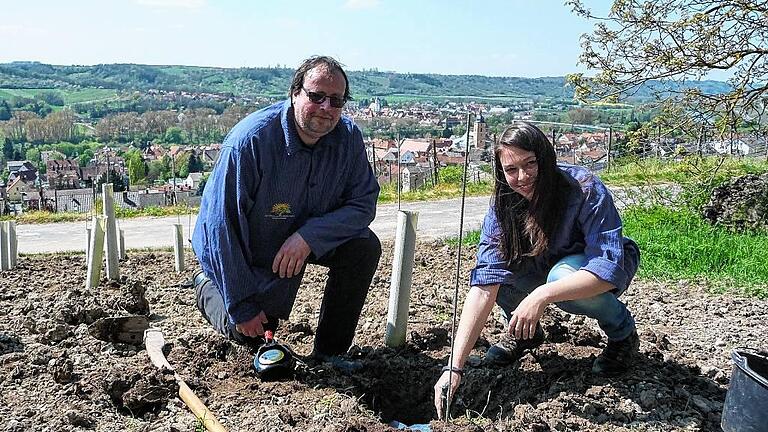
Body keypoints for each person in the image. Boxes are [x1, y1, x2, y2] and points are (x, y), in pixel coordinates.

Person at [433, 122, 640, 417]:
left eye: (531, 163)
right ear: (501, 172)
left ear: (546, 157)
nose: (523, 176)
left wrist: (539, 296)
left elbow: (605, 267)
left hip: (589, 270)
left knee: (562, 282)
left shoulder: (583, 188)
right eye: (511, 169)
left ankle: (622, 335)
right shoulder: (503, 206)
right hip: (540, 263)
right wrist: (454, 367)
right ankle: (524, 333)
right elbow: (483, 286)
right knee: (499, 276)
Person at [191, 56, 381, 369]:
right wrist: (241, 304)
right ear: (294, 93)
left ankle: (331, 353)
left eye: (336, 100)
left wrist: (309, 237)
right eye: (316, 96)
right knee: (250, 332)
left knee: (363, 247)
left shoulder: (347, 139)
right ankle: (207, 286)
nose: (326, 108)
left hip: (298, 240)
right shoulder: (249, 143)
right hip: (246, 249)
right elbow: (221, 228)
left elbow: (364, 201)